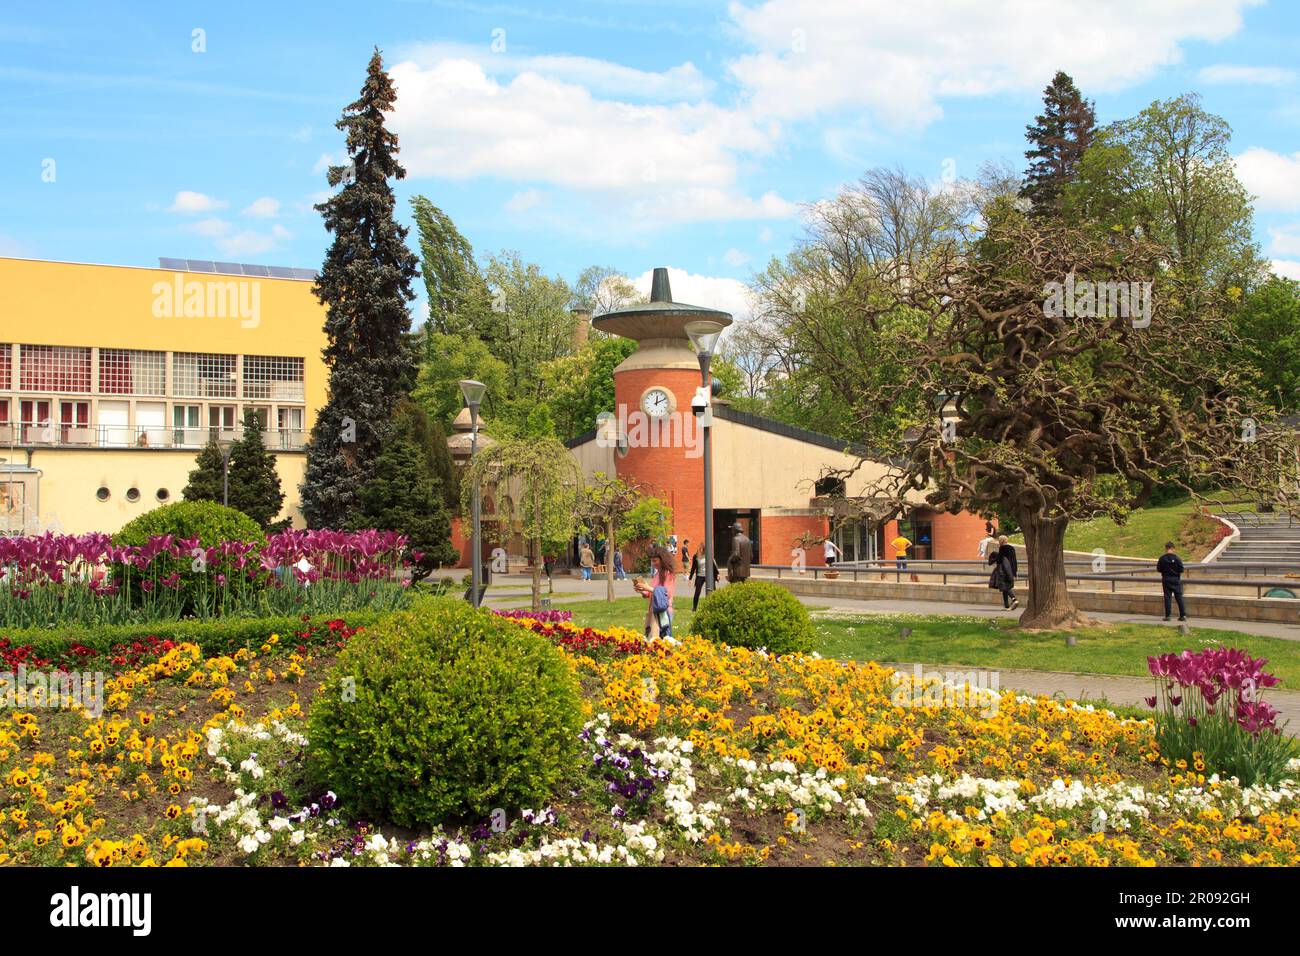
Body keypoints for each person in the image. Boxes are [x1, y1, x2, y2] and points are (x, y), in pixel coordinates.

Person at [634, 545, 677, 639]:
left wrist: (647, 587)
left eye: (655, 561)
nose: (653, 564)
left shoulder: (668, 573)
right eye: (651, 561)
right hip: (653, 611)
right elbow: (651, 592)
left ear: (662, 560)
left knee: (661, 640)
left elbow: (666, 593)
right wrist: (643, 590)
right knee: (653, 639)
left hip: (663, 612)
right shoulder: (657, 573)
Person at [1157, 541, 1188, 622]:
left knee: (1167, 597)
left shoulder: (1162, 558)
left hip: (1166, 580)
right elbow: (1181, 569)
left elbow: (1158, 569)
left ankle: (1168, 616)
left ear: (1166, 548)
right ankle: (1183, 615)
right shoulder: (1177, 558)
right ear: (1172, 548)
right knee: (1179, 598)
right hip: (1176, 580)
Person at [987, 534, 1018, 610]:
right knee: (1005, 587)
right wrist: (1015, 571)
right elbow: (1014, 560)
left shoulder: (1002, 548)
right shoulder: (1012, 548)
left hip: (1004, 570)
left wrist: (994, 557)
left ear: (1001, 541)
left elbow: (1000, 559)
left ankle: (1014, 599)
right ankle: (1006, 606)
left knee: (1004, 586)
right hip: (1011, 569)